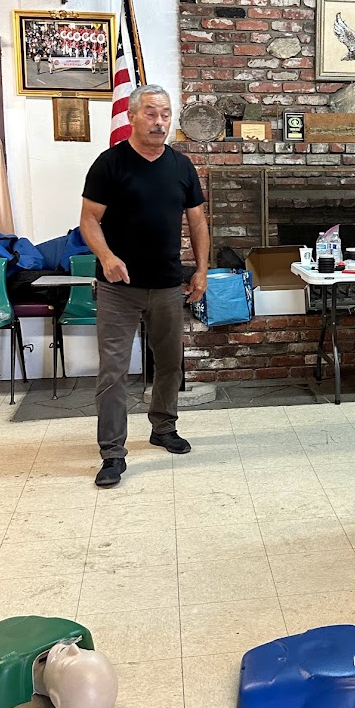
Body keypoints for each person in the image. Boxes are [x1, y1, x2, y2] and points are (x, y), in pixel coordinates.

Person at [80, 84, 209, 488]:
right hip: (117, 287)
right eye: (151, 113)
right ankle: (112, 453)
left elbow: (198, 222)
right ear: (132, 116)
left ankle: (163, 427)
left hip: (168, 284)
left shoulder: (181, 166)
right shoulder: (110, 163)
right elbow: (88, 219)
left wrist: (202, 270)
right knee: (113, 371)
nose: (159, 121)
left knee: (170, 363)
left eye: (165, 114)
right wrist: (107, 257)